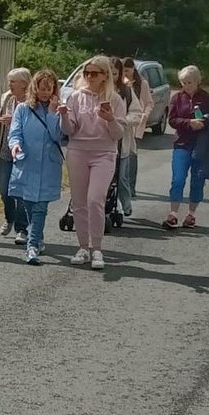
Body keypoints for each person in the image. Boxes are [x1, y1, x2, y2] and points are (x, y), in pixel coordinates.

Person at [58, 54, 124, 270]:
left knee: (95, 199)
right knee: (79, 202)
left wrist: (111, 119)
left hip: (104, 153)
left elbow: (118, 134)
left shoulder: (115, 99)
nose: (89, 77)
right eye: (86, 73)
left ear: (105, 75)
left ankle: (97, 248)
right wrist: (64, 116)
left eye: (94, 73)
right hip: (78, 151)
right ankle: (83, 247)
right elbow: (69, 130)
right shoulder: (76, 97)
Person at [7, 69, 64, 265]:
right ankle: (38, 238)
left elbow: (58, 136)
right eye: (42, 88)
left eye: (49, 89)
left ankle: (31, 247)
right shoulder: (23, 109)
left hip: (48, 165)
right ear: (35, 88)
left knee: (40, 206)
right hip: (27, 163)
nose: (45, 93)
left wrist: (53, 113)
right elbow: (15, 132)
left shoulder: (59, 110)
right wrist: (15, 146)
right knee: (29, 204)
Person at [162, 65, 209, 230]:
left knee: (197, 180)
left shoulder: (208, 98)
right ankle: (173, 214)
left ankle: (191, 214)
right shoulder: (176, 98)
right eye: (183, 82)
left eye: (189, 82)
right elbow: (172, 120)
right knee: (178, 179)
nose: (186, 86)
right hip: (182, 143)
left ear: (197, 81)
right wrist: (189, 123)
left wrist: (204, 122)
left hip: (202, 145)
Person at [0, 68, 31, 244]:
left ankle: (22, 229)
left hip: (23, 152)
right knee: (4, 189)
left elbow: (32, 124)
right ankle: (9, 218)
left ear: (24, 83)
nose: (10, 85)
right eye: (9, 81)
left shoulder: (32, 102)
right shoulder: (7, 98)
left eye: (13, 81)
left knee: (20, 191)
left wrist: (13, 119)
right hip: (5, 150)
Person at [110, 57, 142, 219]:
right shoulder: (97, 90)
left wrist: (123, 121)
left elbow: (137, 114)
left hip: (122, 144)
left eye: (115, 73)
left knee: (121, 177)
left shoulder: (127, 92)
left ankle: (126, 204)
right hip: (102, 143)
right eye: (109, 73)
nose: (112, 77)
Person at [122, 57, 154, 210]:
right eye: (123, 71)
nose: (125, 73)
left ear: (133, 69)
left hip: (137, 124)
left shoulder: (142, 84)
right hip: (125, 126)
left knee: (132, 155)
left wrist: (145, 115)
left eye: (128, 70)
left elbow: (149, 103)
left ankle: (131, 186)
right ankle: (124, 187)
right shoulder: (120, 84)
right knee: (124, 155)